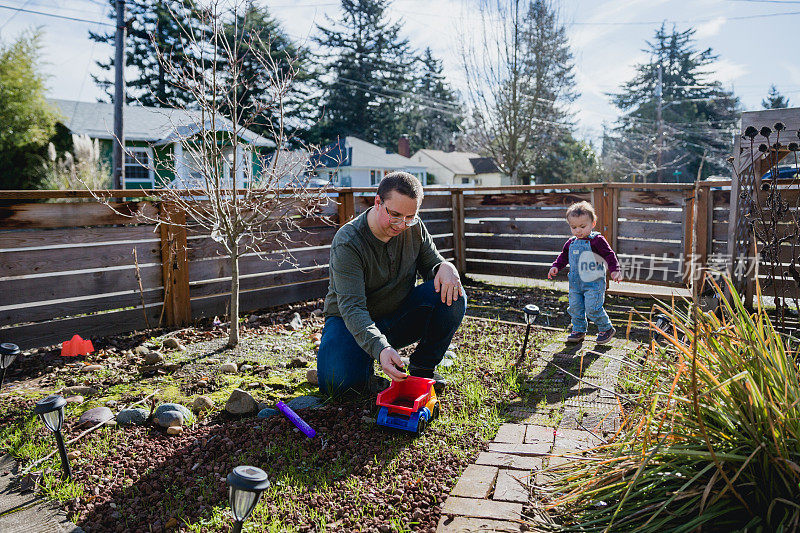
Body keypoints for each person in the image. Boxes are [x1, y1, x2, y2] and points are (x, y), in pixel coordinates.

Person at [317, 171, 466, 396]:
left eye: (410, 217)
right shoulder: (348, 242)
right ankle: (365, 363)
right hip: (349, 322)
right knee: (338, 387)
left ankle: (422, 369)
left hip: (396, 317)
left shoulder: (413, 228)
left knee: (453, 293)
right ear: (378, 202)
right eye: (395, 215)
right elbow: (352, 308)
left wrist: (446, 267)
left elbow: (432, 266)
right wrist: (381, 348)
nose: (401, 225)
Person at [547, 201, 621, 345]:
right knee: (575, 307)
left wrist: (615, 270)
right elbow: (563, 257)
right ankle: (579, 330)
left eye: (582, 226)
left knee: (592, 308)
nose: (578, 231)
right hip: (575, 284)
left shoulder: (597, 240)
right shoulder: (571, 243)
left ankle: (606, 329)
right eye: (573, 227)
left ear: (593, 223)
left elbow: (609, 255)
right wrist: (556, 266)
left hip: (594, 284)